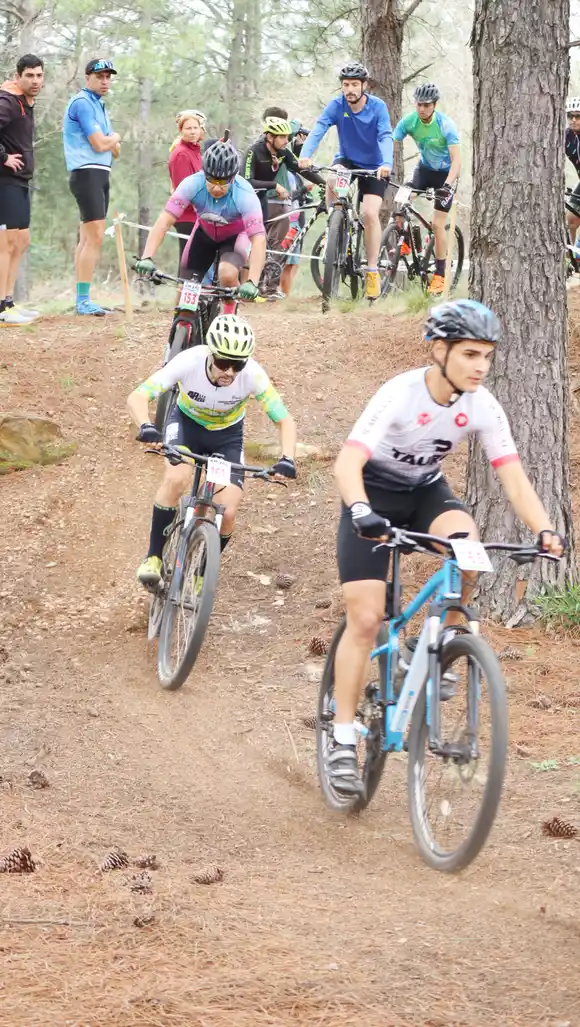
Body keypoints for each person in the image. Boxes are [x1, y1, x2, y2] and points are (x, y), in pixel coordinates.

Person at [330, 299, 565, 795]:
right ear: (440, 350)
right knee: (367, 618)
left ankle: (435, 647)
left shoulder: (482, 405)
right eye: (471, 354)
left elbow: (515, 480)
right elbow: (347, 463)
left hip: (423, 495)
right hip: (370, 496)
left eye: (487, 356)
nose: (481, 366)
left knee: (469, 550)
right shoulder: (399, 393)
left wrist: (545, 528)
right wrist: (358, 510)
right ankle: (343, 736)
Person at [126, 313, 298, 586]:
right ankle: (154, 557)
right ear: (210, 354)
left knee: (227, 512)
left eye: (237, 365)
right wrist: (146, 426)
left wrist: (287, 457)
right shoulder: (189, 361)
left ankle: (201, 574)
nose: (229, 372)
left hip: (226, 438)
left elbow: (284, 420)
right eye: (223, 363)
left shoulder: (253, 375)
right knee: (176, 478)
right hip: (185, 425)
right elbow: (138, 396)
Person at [135, 139, 265, 311]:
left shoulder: (245, 193)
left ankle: (228, 316)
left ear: (233, 177)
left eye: (223, 181)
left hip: (234, 238)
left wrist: (252, 281)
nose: (217, 187)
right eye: (212, 179)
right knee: (187, 286)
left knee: (227, 275)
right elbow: (164, 222)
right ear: (204, 173)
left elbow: (258, 240)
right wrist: (147, 257)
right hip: (204, 234)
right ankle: (182, 330)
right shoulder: (191, 184)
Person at [298, 62, 392, 300]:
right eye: (345, 85)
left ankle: (372, 271)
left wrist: (386, 164)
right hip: (347, 160)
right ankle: (335, 223)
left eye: (354, 85)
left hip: (375, 166)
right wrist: (305, 155)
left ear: (364, 86)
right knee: (332, 175)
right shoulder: (337, 105)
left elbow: (385, 136)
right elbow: (320, 127)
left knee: (370, 214)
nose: (349, 89)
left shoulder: (378, 107)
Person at [63, 58, 121, 316]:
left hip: (100, 172)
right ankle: (83, 300)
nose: (105, 81)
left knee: (88, 237)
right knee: (95, 236)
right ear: (87, 78)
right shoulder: (83, 103)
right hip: (86, 172)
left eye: (108, 76)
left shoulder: (100, 104)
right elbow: (101, 144)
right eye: (100, 76)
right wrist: (115, 137)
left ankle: (82, 298)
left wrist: (111, 142)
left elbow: (115, 151)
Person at [393, 83, 461, 296]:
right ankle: (404, 237)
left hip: (445, 175)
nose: (422, 109)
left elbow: (457, 160)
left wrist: (448, 186)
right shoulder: (409, 122)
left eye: (426, 105)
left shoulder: (445, 125)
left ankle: (440, 275)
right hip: (424, 170)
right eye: (419, 104)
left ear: (434, 105)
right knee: (402, 197)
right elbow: (391, 142)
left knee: (437, 224)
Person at [243, 116, 324, 293]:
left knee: (275, 244)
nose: (286, 140)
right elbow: (246, 181)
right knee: (255, 243)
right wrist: (274, 185)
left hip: (262, 199)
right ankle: (247, 285)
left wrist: (323, 183)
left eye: (287, 136)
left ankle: (268, 289)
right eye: (282, 137)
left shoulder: (283, 152)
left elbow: (300, 168)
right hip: (248, 200)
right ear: (269, 137)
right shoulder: (254, 151)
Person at [0, 54, 44, 325]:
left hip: (20, 180)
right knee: (5, 244)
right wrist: (3, 157)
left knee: (21, 241)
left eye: (39, 75)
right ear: (18, 76)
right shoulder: (7, 101)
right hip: (4, 181)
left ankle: (9, 302)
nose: (35, 80)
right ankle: (1, 308)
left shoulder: (23, 102)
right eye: (29, 75)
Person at [168, 109, 205, 268]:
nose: (192, 132)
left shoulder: (194, 151)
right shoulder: (182, 154)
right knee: (188, 263)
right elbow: (184, 191)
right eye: (188, 128)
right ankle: (182, 293)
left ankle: (191, 293)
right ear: (181, 131)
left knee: (195, 262)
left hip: (197, 216)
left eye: (195, 128)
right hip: (188, 216)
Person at [565, 97, 580, 249]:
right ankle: (572, 259)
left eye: (578, 116)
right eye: (570, 116)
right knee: (571, 220)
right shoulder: (567, 136)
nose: (574, 120)